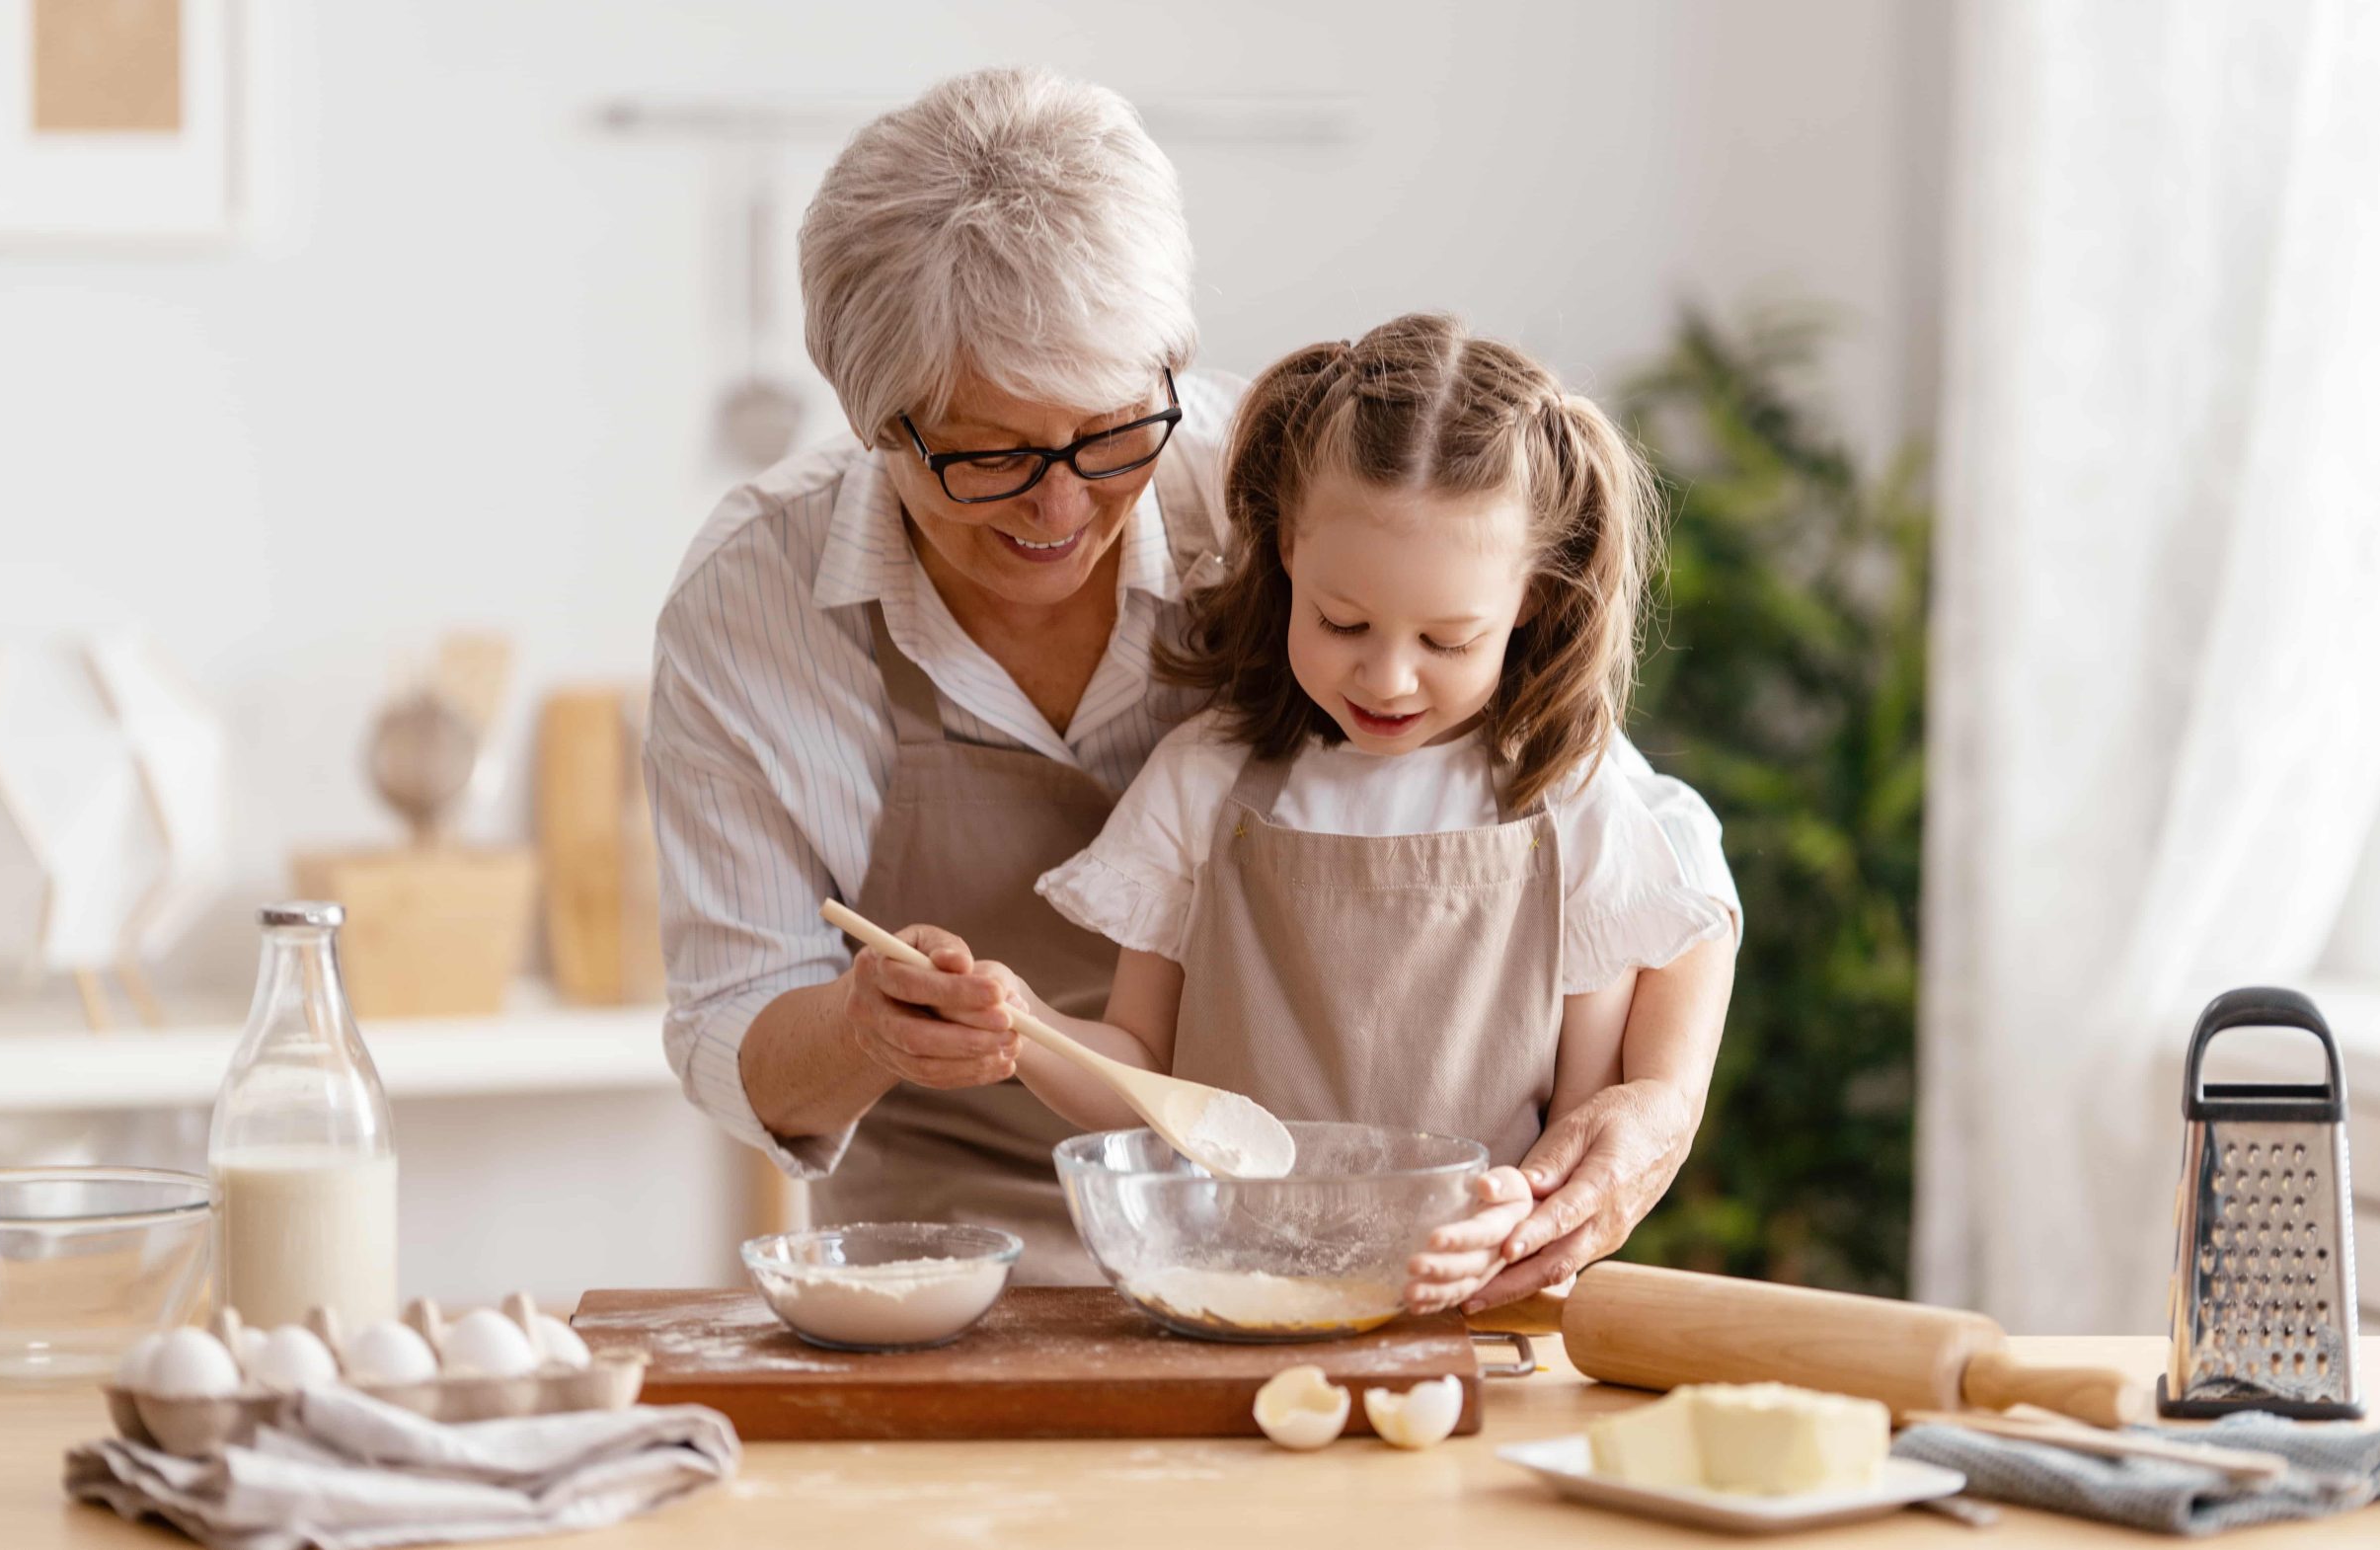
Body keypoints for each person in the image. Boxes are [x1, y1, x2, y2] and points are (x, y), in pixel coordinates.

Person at [646, 67, 1740, 1299]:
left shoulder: (1290, 501)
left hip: (1288, 1258)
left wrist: (1655, 1105)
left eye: (1109, 430)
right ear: (872, 421)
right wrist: (863, 1027)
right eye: (987, 455)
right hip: (958, 1259)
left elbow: (1642, 852)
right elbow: (727, 1021)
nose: (1060, 508)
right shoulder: (755, 604)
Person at [974, 314, 1734, 1312]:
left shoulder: (1569, 807)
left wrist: (1514, 1220)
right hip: (1232, 1307)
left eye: (1449, 638)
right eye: (1343, 622)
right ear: (1287, 547)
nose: (1387, 674)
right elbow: (1145, 1074)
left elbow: (1574, 1143)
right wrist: (1023, 1027)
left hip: (1480, 1322)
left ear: (1532, 604)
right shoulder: (1206, 783)